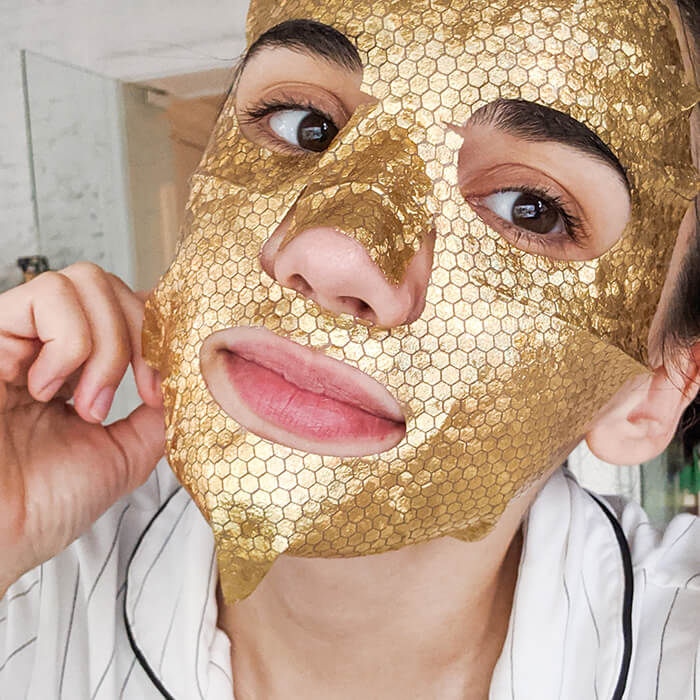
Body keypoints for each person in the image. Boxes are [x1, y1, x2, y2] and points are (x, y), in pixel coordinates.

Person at [1, 0, 699, 698]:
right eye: (306, 128)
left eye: (530, 209)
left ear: (654, 391)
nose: (330, 253)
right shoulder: (29, 578)